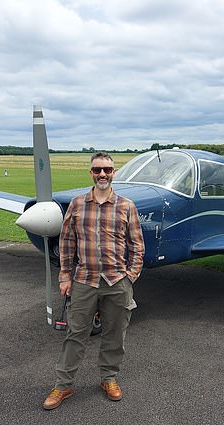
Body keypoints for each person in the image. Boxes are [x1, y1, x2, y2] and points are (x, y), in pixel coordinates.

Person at [43, 152, 145, 410]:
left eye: (107, 170)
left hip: (117, 281)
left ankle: (108, 378)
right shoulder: (77, 205)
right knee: (75, 334)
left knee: (115, 334)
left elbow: (137, 246)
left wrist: (130, 276)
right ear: (91, 172)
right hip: (84, 280)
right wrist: (65, 276)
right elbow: (66, 243)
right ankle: (63, 386)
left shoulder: (126, 206)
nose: (102, 174)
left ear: (113, 173)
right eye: (97, 170)